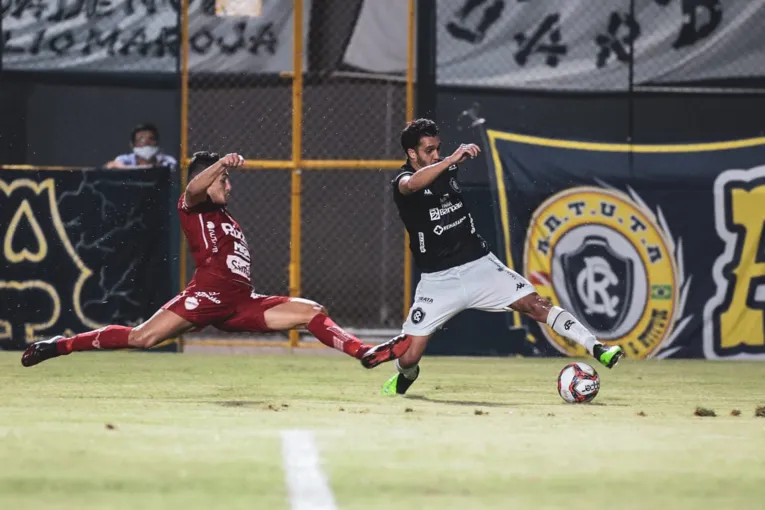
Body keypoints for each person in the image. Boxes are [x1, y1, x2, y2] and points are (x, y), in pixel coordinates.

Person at [21, 152, 409, 368]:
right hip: (204, 298)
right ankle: (61, 346)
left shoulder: (226, 220)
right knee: (142, 339)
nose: (229, 185)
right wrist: (219, 164)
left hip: (240, 304)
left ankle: (364, 352)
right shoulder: (193, 207)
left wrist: (221, 170)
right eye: (223, 180)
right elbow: (192, 187)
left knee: (311, 310)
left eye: (226, 178)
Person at [373, 119, 624, 396]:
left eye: (438, 149)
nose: (436, 154)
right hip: (438, 281)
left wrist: (452, 160)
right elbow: (412, 184)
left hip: (480, 266)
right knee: (408, 356)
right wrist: (451, 159)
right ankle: (407, 376)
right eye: (429, 150)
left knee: (535, 304)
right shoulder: (403, 182)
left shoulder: (447, 168)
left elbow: (442, 170)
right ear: (412, 153)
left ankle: (598, 348)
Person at [105, 123, 177, 170]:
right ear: (132, 144)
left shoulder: (168, 160)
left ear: (157, 142)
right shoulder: (123, 159)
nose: (146, 143)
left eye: (151, 139)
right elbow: (111, 165)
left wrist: (123, 168)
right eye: (141, 140)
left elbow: (168, 168)